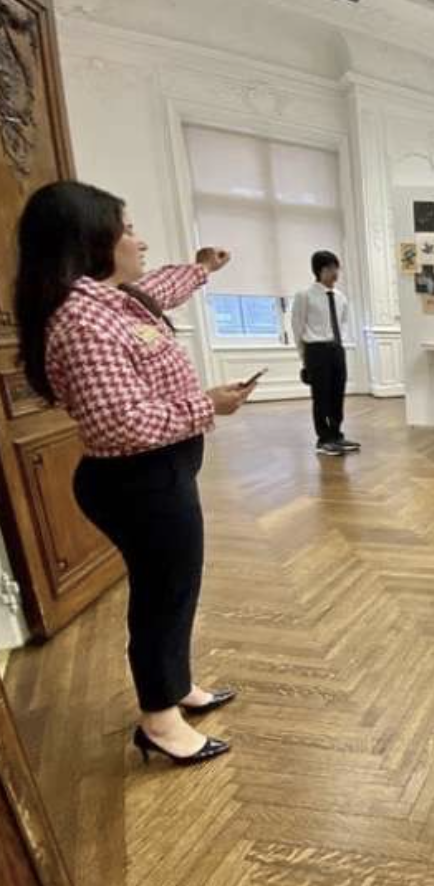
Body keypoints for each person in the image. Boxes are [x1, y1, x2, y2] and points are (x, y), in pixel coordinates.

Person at [15, 180, 251, 765]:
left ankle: (175, 686)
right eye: (127, 230)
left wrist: (201, 269)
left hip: (160, 474)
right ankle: (159, 721)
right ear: (90, 241)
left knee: (176, 587)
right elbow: (122, 424)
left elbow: (156, 289)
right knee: (162, 596)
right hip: (138, 480)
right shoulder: (82, 323)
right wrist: (208, 405)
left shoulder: (112, 299)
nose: (139, 240)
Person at [292, 251, 357, 457]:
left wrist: (340, 343)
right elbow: (297, 328)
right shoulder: (305, 295)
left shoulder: (340, 298)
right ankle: (323, 439)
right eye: (329, 268)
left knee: (338, 393)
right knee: (321, 396)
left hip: (336, 349)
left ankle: (337, 434)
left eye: (336, 268)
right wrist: (305, 359)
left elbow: (344, 322)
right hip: (316, 350)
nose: (335, 273)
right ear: (319, 270)